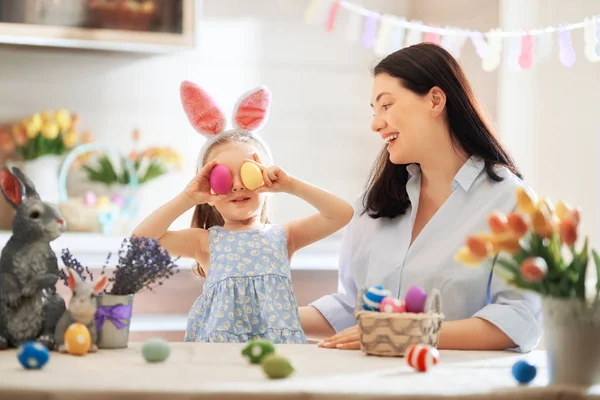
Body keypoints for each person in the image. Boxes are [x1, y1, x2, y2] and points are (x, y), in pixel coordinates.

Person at [299, 43, 543, 352]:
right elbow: (353, 308)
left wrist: (409, 334)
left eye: (386, 105)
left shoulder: (509, 201)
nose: (375, 123)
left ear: (435, 100)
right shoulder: (373, 204)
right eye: (374, 112)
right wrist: (261, 317)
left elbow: (518, 318)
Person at [132, 82, 353, 343]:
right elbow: (140, 242)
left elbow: (341, 213)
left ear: (266, 179)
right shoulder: (204, 242)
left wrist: (290, 184)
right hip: (219, 355)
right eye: (223, 178)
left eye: (248, 174)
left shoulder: (285, 236)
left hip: (276, 352)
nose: (237, 185)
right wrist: (187, 198)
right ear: (209, 193)